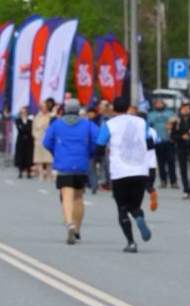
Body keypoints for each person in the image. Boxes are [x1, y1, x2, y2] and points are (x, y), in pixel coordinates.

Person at [94, 96, 155, 253]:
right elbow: (150, 144)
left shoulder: (109, 124)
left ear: (113, 109)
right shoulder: (141, 122)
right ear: (129, 107)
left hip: (119, 172)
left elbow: (99, 147)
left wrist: (98, 160)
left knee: (122, 208)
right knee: (135, 205)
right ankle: (139, 217)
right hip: (140, 170)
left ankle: (131, 242)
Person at [42, 99, 99, 245]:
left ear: (65, 110)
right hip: (81, 164)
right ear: (79, 110)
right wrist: (89, 154)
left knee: (66, 194)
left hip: (64, 164)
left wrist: (57, 153)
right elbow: (97, 139)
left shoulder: (57, 124)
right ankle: (78, 229)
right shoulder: (87, 124)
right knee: (78, 196)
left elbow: (46, 142)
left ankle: (69, 223)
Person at [148, 99, 178, 189]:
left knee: (171, 162)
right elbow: (149, 127)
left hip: (169, 140)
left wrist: (172, 126)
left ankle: (173, 181)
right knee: (160, 163)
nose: (159, 104)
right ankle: (163, 180)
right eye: (157, 103)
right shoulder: (151, 114)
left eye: (160, 103)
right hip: (158, 141)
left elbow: (176, 122)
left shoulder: (170, 113)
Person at [172, 103, 190, 199]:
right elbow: (173, 135)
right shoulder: (177, 121)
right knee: (183, 169)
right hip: (181, 148)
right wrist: (181, 137)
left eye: (187, 108)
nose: (186, 110)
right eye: (184, 109)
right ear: (180, 110)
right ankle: (186, 189)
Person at [32, 100, 54, 181]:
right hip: (39, 139)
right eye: (42, 107)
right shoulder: (37, 117)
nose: (44, 109)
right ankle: (40, 174)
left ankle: (49, 175)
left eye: (45, 107)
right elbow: (34, 129)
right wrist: (36, 136)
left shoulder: (51, 117)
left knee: (48, 159)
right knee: (39, 158)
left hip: (48, 139)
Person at [13, 107, 34, 179]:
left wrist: (24, 128)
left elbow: (29, 129)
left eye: (25, 112)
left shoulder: (30, 120)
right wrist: (25, 128)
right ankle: (20, 171)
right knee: (20, 155)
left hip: (28, 140)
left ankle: (29, 171)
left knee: (28, 155)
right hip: (21, 140)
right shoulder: (18, 120)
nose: (24, 113)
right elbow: (20, 129)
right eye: (22, 112)